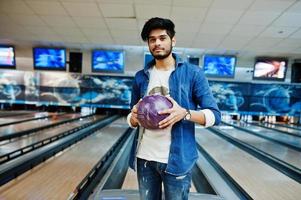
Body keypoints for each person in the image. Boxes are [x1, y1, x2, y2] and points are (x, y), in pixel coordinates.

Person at [127, 17, 221, 200]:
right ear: (148, 44)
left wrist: (185, 113)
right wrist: (133, 118)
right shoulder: (140, 77)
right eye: (152, 39)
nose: (157, 43)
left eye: (162, 38)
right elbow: (131, 115)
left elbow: (215, 116)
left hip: (178, 160)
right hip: (145, 158)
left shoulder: (193, 74)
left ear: (173, 40)